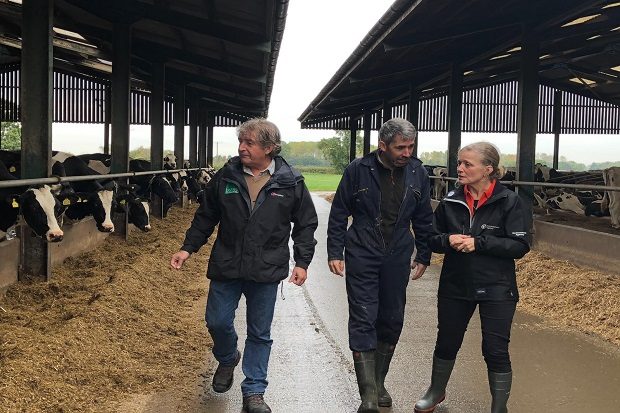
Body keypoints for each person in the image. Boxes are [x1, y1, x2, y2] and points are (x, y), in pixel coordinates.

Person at [170, 118, 318, 413]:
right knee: (217, 322)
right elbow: (206, 215)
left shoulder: (290, 182)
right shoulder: (226, 176)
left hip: (266, 268)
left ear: (269, 148)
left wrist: (302, 262)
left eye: (249, 143)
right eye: (241, 142)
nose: (241, 148)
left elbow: (306, 225)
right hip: (227, 264)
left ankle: (254, 392)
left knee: (260, 333)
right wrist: (188, 248)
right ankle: (227, 357)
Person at [413, 142, 530, 413]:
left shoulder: (510, 202)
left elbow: (520, 246)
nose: (460, 169)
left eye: (467, 164)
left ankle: (499, 407)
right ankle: (436, 391)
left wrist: (480, 243)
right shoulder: (450, 200)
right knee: (447, 340)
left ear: (488, 169)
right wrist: (447, 239)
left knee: (495, 349)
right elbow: (431, 238)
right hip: (456, 283)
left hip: (497, 287)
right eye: (459, 163)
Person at [327, 118, 434, 413]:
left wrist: (425, 253)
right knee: (363, 316)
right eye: (401, 147)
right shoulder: (358, 170)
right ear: (382, 146)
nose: (407, 152)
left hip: (398, 250)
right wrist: (335, 251)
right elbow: (338, 213)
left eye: (411, 146)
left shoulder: (418, 172)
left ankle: (378, 381)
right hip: (362, 247)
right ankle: (369, 397)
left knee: (391, 317)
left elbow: (424, 217)